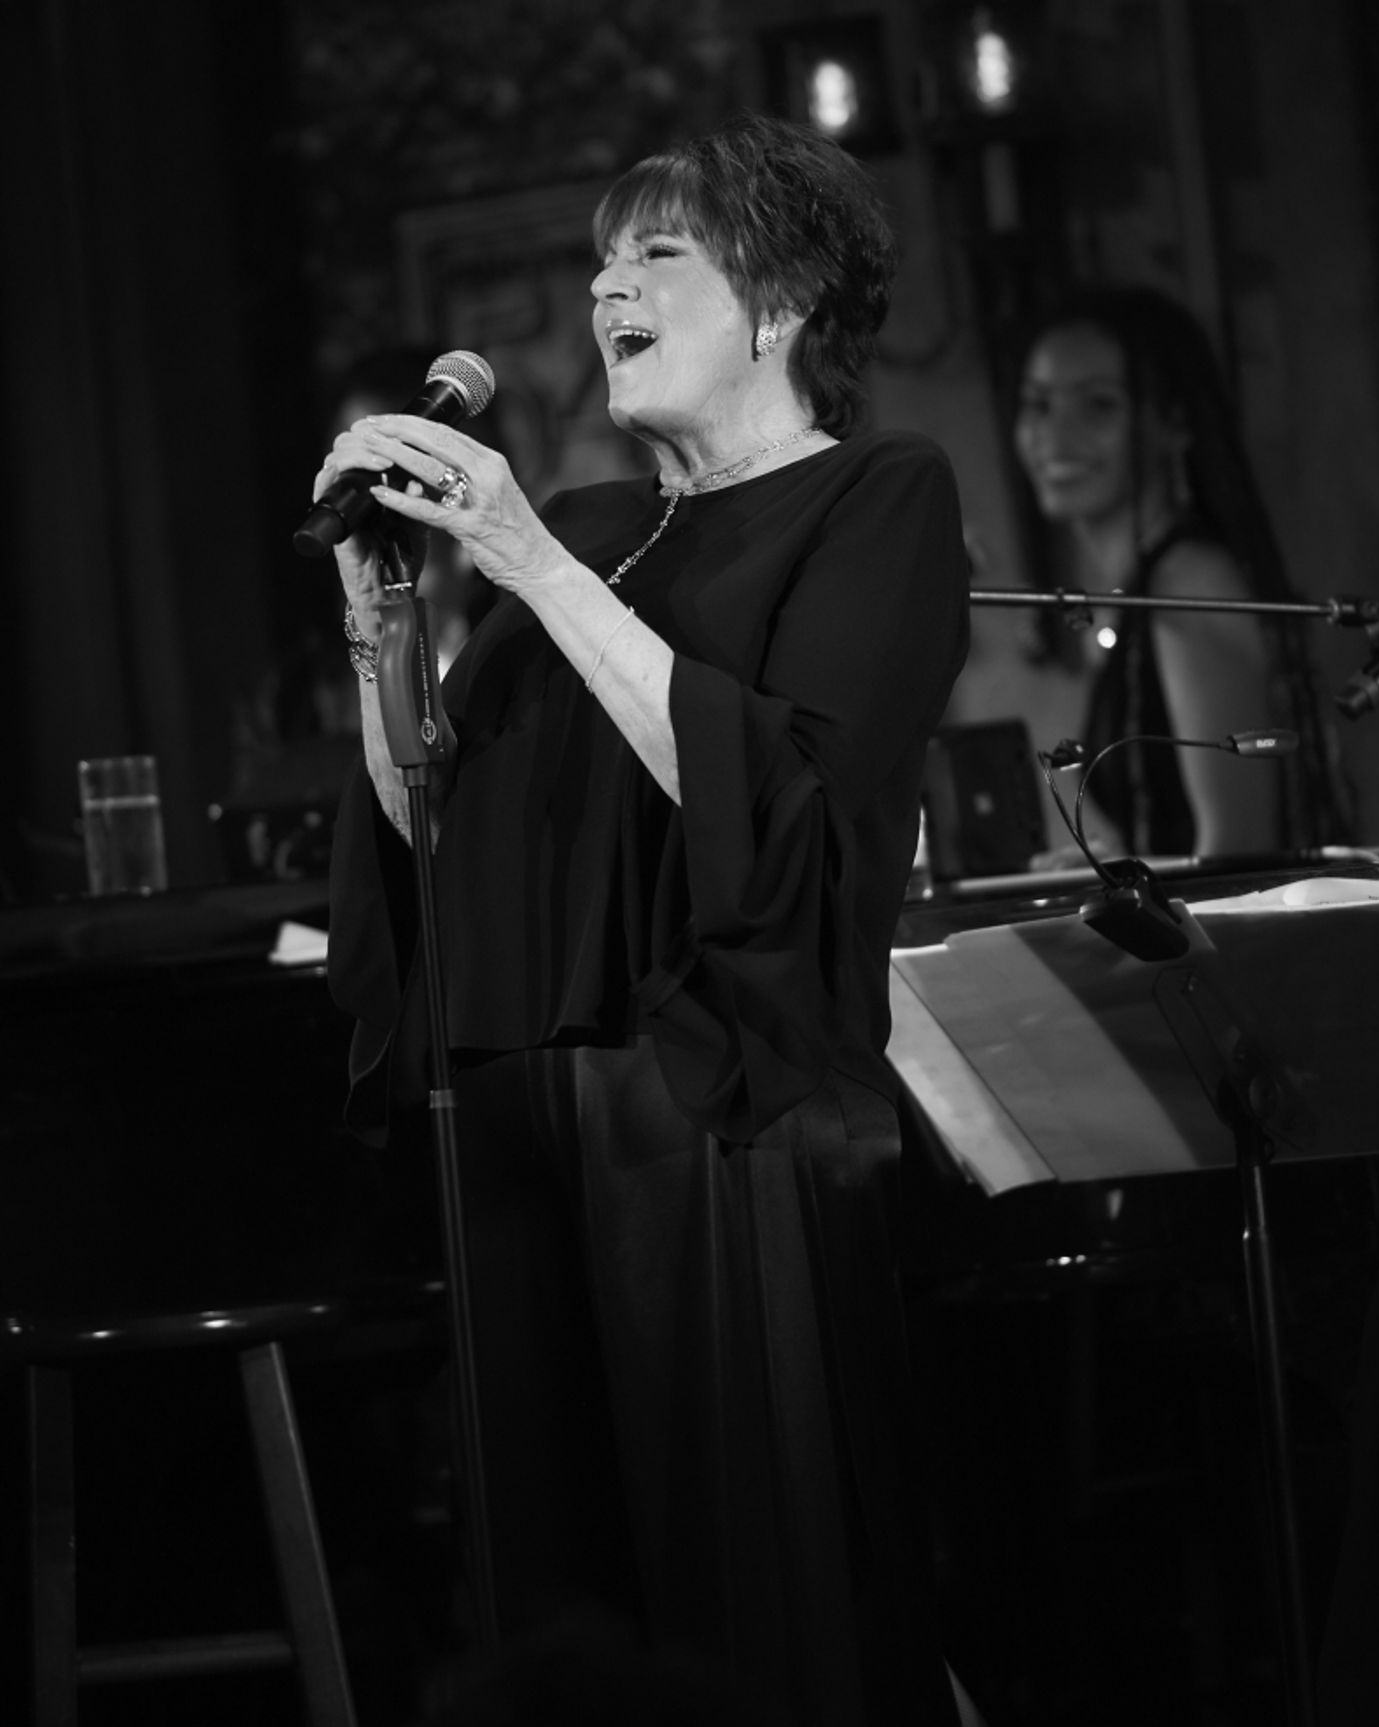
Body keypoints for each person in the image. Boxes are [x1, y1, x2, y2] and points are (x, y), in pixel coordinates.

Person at [316, 113, 971, 1726]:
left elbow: (786, 802)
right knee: (567, 1600)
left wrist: (525, 557)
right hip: (526, 1114)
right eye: (601, 259)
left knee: (747, 1587)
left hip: (717, 1102)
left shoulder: (875, 493)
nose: (607, 286)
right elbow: (437, 823)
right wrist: (383, 620)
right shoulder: (600, 521)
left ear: (781, 303)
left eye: (656, 253)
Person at [1012, 284, 1349, 859]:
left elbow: (1235, 856)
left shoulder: (1189, 581)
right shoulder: (1141, 588)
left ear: (1174, 423)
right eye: (1039, 405)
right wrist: (1106, 865)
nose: (1055, 436)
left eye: (1099, 405)